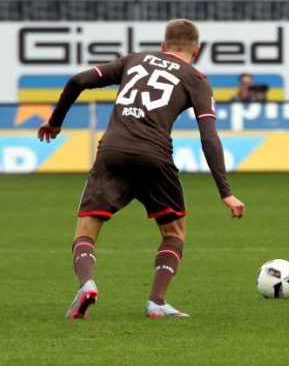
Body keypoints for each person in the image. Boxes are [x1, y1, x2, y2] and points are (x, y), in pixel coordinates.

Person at [38, 19, 246, 319]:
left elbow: (77, 81)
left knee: (87, 228)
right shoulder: (196, 78)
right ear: (196, 51)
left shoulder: (134, 59)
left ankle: (86, 284)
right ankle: (156, 301)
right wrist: (225, 192)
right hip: (155, 157)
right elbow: (208, 136)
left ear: (163, 46)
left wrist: (56, 121)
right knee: (173, 231)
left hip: (112, 151)